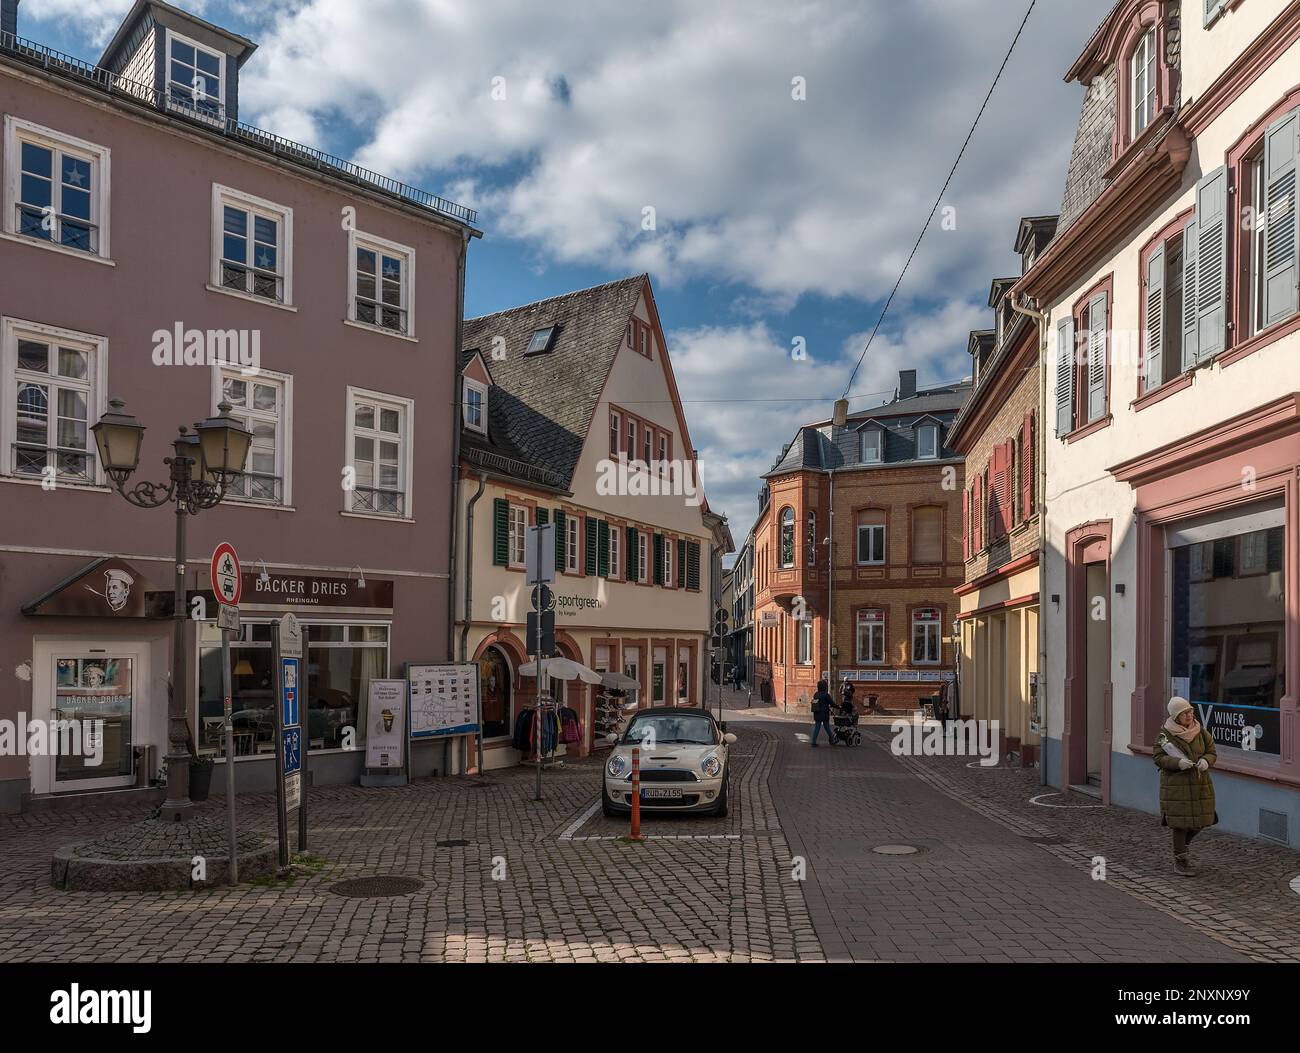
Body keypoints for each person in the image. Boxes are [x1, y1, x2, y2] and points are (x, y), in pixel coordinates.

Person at [1153, 696, 1217, 877]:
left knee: (1202, 820)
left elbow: (1211, 751)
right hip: (1176, 786)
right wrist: (1178, 763)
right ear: (1175, 717)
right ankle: (1180, 860)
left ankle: (1183, 847)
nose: (1190, 715)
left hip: (1200, 783)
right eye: (1184, 713)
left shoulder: (1200, 731)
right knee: (1180, 825)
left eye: (1190, 711)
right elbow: (1158, 757)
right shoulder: (1165, 735)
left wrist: (1206, 761)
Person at [810, 679, 835, 747]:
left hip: (817, 713)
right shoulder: (826, 695)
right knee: (826, 726)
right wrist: (838, 706)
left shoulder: (816, 694)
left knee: (817, 727)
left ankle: (813, 742)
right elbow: (831, 703)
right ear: (825, 687)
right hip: (824, 713)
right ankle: (832, 738)